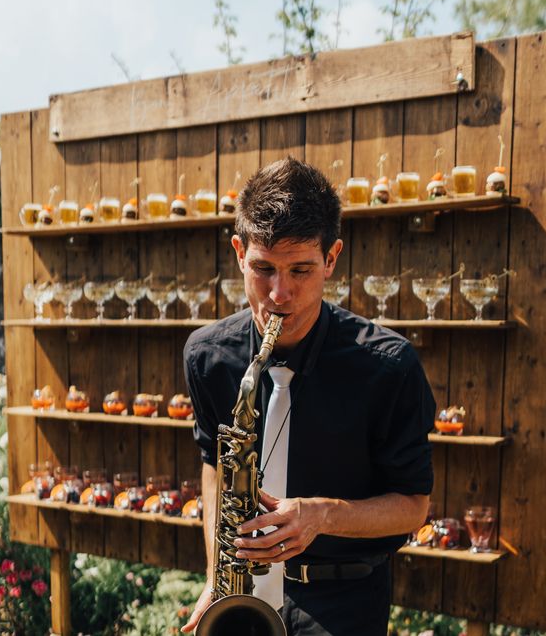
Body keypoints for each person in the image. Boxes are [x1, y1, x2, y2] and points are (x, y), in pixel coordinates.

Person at [182, 157, 435, 636]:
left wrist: (319, 516)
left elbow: (413, 504)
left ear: (332, 258)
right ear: (239, 252)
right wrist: (218, 578)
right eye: (263, 269)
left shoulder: (388, 365)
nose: (280, 294)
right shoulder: (208, 356)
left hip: (343, 603)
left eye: (301, 270)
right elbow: (215, 463)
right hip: (243, 595)